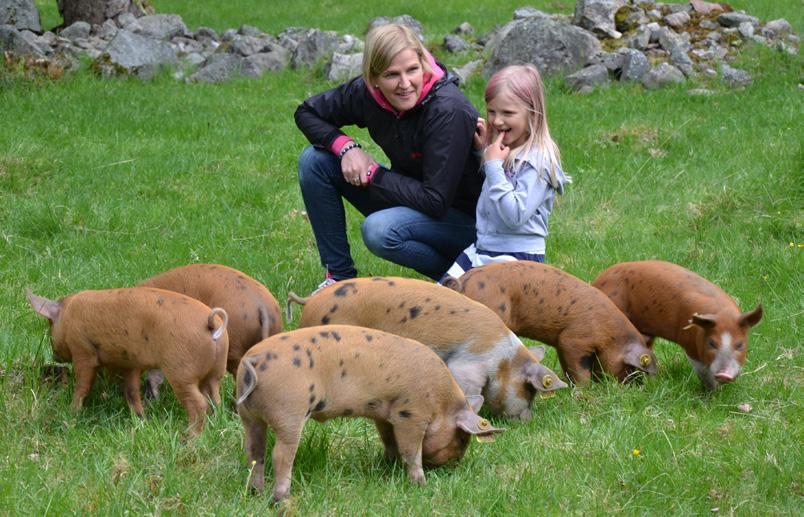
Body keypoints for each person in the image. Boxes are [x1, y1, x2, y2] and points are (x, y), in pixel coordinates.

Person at [294, 23, 482, 293]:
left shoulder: (447, 109)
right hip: (412, 199)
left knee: (379, 231)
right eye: (392, 75)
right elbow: (306, 112)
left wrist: (374, 174)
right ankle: (339, 279)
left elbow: (435, 200)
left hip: (464, 223)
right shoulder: (366, 93)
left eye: (412, 70)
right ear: (373, 78)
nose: (405, 84)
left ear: (423, 64)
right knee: (315, 162)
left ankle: (463, 279)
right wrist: (346, 147)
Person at [442, 64, 569, 281]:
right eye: (492, 111)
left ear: (533, 115)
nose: (497, 121)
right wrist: (481, 153)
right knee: (442, 296)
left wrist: (493, 166)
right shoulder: (505, 151)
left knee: (481, 310)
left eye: (507, 113)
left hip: (517, 258)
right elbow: (494, 193)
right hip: (482, 249)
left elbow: (514, 216)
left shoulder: (538, 161)